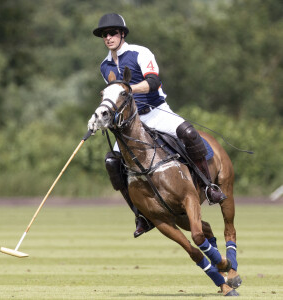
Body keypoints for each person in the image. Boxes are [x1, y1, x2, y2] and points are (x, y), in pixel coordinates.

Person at [91, 13, 226, 238]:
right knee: (112, 162)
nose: (108, 37)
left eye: (113, 32)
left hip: (156, 111)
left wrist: (128, 90)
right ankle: (140, 214)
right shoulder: (105, 66)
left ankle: (209, 187)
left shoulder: (140, 53)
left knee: (189, 133)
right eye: (104, 34)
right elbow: (113, 100)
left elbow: (153, 82)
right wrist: (101, 117)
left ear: (122, 34)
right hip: (131, 122)